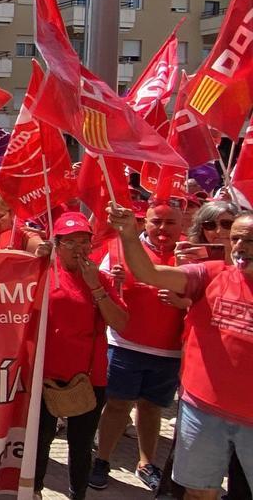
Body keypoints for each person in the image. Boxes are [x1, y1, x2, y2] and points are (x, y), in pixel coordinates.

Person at [108, 204, 253, 500]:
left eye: (250, 240)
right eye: (236, 238)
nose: (240, 246)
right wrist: (128, 235)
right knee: (198, 492)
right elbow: (148, 272)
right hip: (202, 409)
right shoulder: (211, 274)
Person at [91, 203, 187, 490]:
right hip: (125, 345)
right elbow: (100, 288)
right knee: (117, 406)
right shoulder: (119, 248)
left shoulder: (189, 255)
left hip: (169, 349)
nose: (163, 228)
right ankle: (102, 460)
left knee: (151, 409)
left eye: (170, 222)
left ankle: (146, 462)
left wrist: (183, 302)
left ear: (181, 226)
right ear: (145, 222)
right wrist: (113, 281)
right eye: (157, 221)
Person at [34, 212, 128, 500]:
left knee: (81, 443)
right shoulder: (41, 271)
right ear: (57, 244)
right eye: (70, 241)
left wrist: (97, 287)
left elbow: (121, 322)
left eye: (84, 241)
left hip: (89, 376)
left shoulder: (100, 277)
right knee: (40, 442)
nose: (79, 248)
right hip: (44, 374)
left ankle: (78, 493)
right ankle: (35, 490)